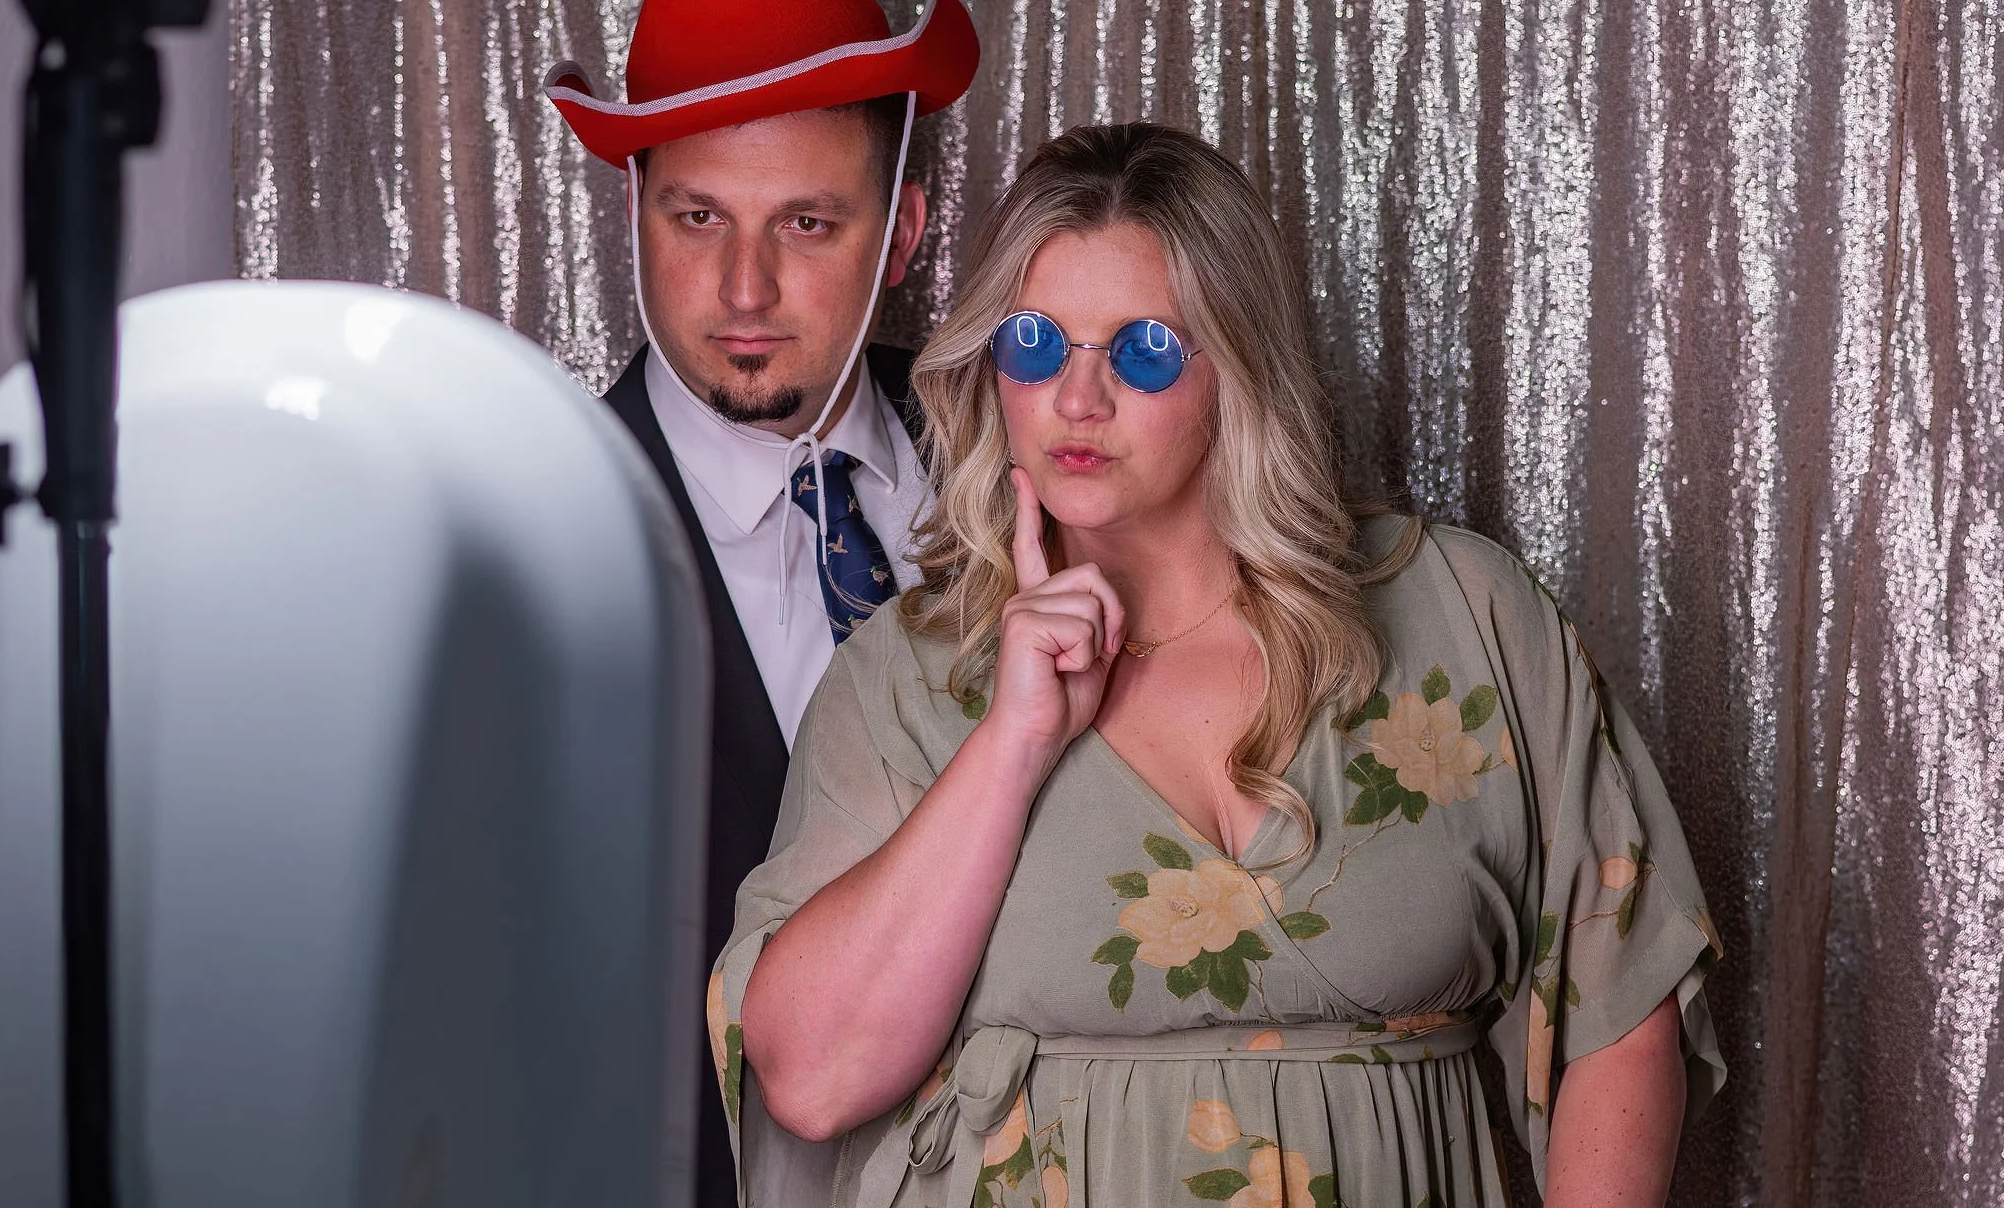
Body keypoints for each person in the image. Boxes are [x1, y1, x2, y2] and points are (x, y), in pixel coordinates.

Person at [708, 123, 1725, 1206]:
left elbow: (1618, 1003)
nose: (1078, 398)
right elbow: (811, 1083)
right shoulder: (907, 678)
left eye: (1142, 348)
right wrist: (1011, 743)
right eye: (1036, 345)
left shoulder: (1463, 615)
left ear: (1238, 366)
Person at [539, 0, 979, 1206]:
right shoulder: (537, 534)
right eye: (695, 217)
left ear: (898, 235)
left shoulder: (1037, 457)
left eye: (803, 222)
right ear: (636, 213)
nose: (743, 285)